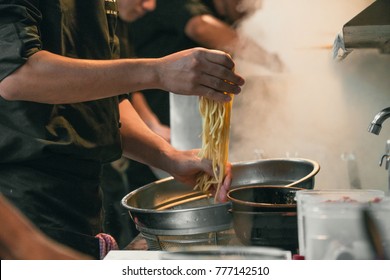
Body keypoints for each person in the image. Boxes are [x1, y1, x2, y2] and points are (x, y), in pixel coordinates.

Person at [0, 0, 244, 260]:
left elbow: (107, 95)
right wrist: (158, 72)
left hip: (82, 200)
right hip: (21, 203)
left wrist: (168, 157)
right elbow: (16, 73)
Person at [124, 0, 282, 190]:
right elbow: (201, 27)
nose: (255, 7)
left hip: (171, 142)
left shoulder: (221, 16)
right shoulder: (185, 6)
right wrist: (273, 62)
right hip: (146, 137)